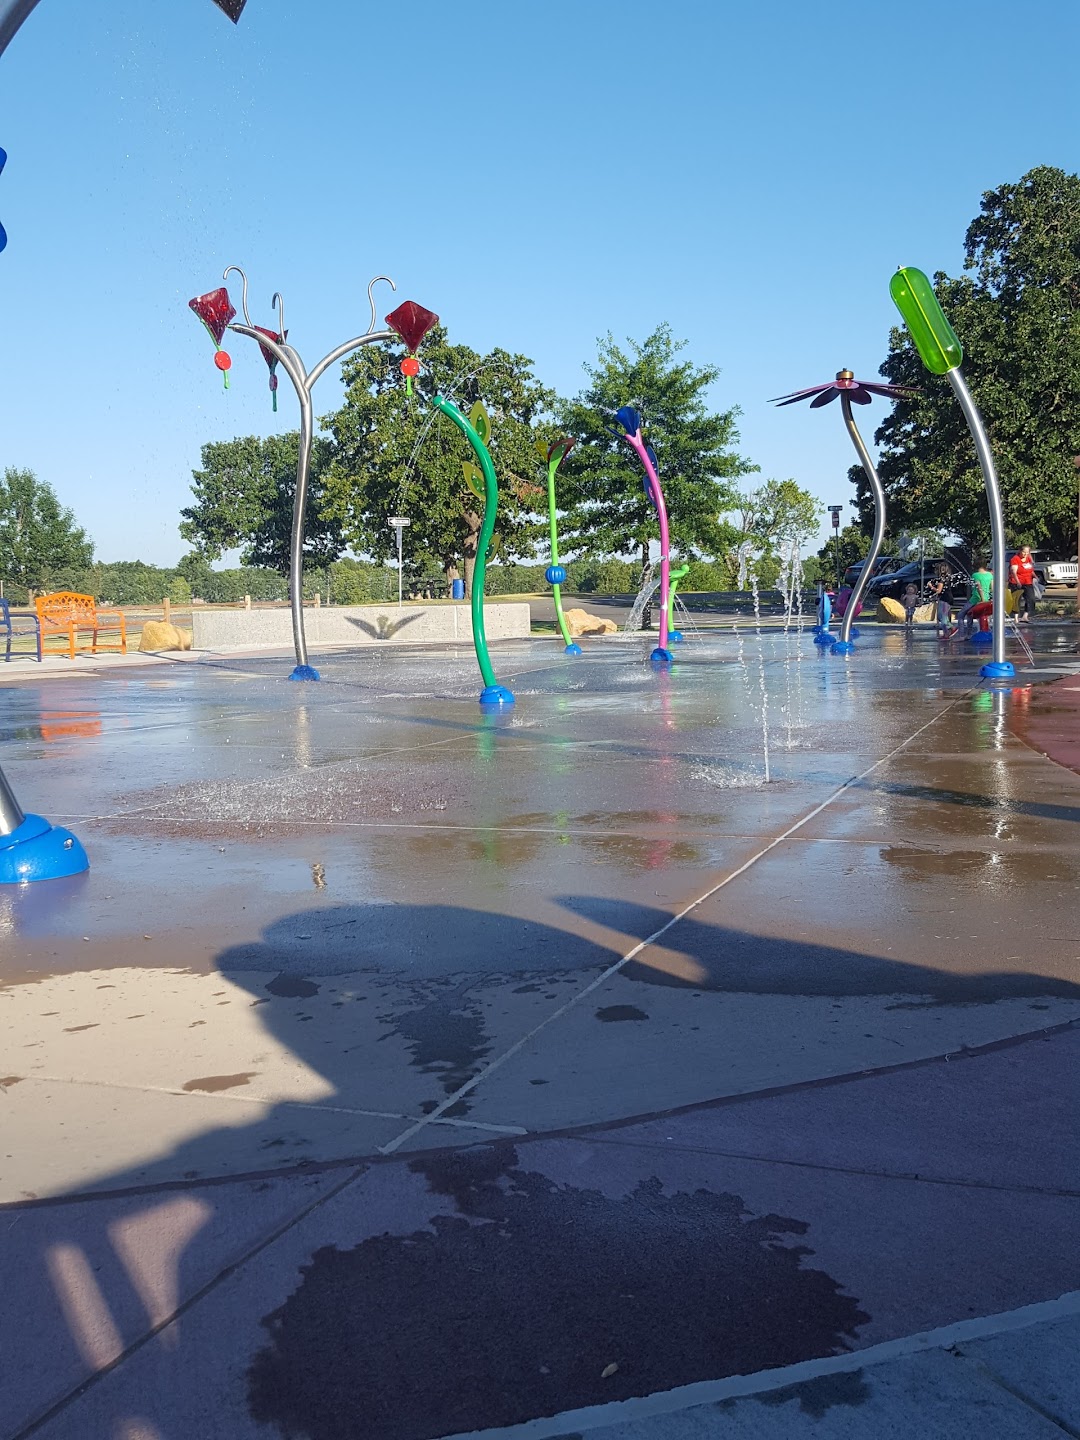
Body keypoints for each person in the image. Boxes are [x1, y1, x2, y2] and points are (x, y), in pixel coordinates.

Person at [950, 559, 993, 637]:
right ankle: (969, 634)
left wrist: (982, 600)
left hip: (976, 599)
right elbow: (993, 588)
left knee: (960, 615)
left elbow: (979, 587)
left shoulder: (975, 575)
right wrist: (990, 599)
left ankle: (962, 635)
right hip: (986, 599)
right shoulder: (990, 575)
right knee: (970, 614)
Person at [1010, 544, 1037, 623]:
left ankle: (1025, 616)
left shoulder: (1028, 558)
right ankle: (1016, 617)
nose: (1025, 554)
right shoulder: (1015, 559)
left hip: (1028, 581)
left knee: (1031, 599)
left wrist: (1035, 576)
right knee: (1016, 600)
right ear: (1020, 551)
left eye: (1027, 552)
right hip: (1016, 582)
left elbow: (1030, 569)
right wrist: (1018, 582)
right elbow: (1014, 572)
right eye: (1024, 552)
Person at [926, 564, 952, 636]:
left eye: (936, 570)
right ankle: (946, 634)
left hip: (944, 600)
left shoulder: (941, 580)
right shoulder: (947, 578)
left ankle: (951, 629)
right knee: (943, 616)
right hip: (948, 599)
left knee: (941, 616)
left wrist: (930, 586)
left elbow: (938, 591)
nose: (935, 571)